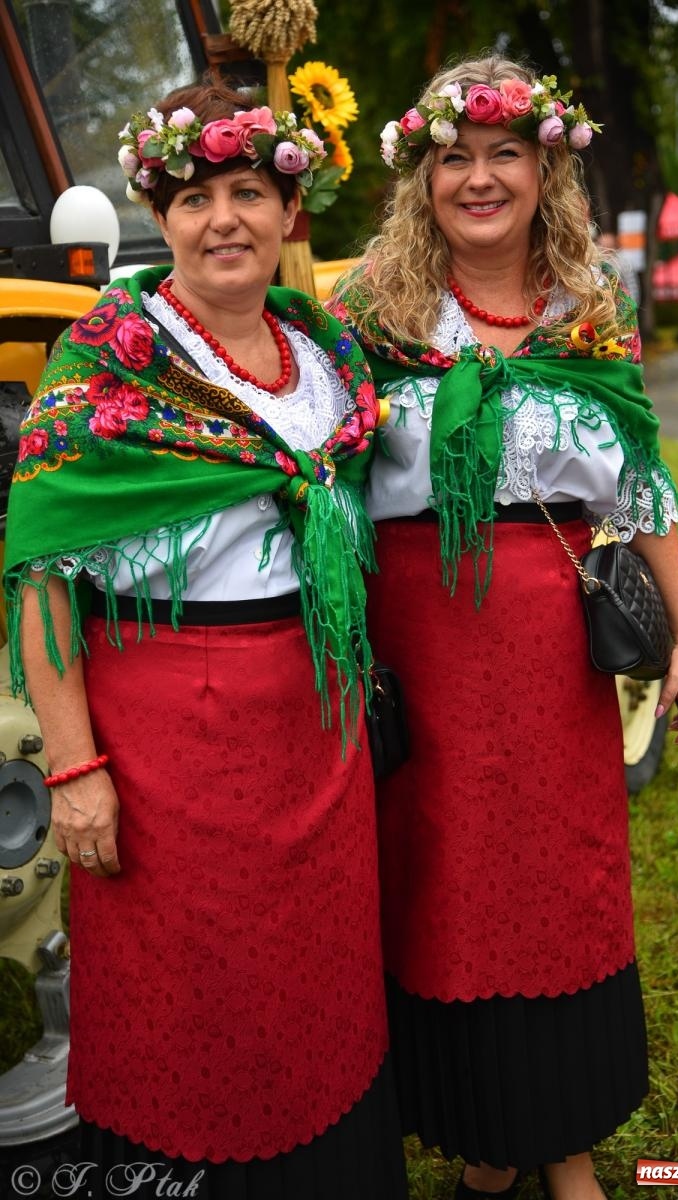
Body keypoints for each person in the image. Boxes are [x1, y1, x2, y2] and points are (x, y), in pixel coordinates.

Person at [3, 78, 408, 1200]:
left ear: (290, 210)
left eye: (247, 191)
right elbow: (42, 578)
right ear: (159, 212)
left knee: (311, 979)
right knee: (191, 985)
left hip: (315, 729)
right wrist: (77, 768)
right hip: (166, 740)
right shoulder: (107, 360)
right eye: (193, 198)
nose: (222, 219)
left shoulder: (323, 353)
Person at [331, 55, 678, 1200]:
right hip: (422, 647)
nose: (481, 177)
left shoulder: (587, 311)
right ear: (424, 176)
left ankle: (570, 1146)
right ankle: (487, 1145)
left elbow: (637, 478)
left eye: (506, 155)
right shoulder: (369, 315)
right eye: (457, 157)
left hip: (550, 653)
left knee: (562, 884)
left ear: (546, 170)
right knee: (444, 886)